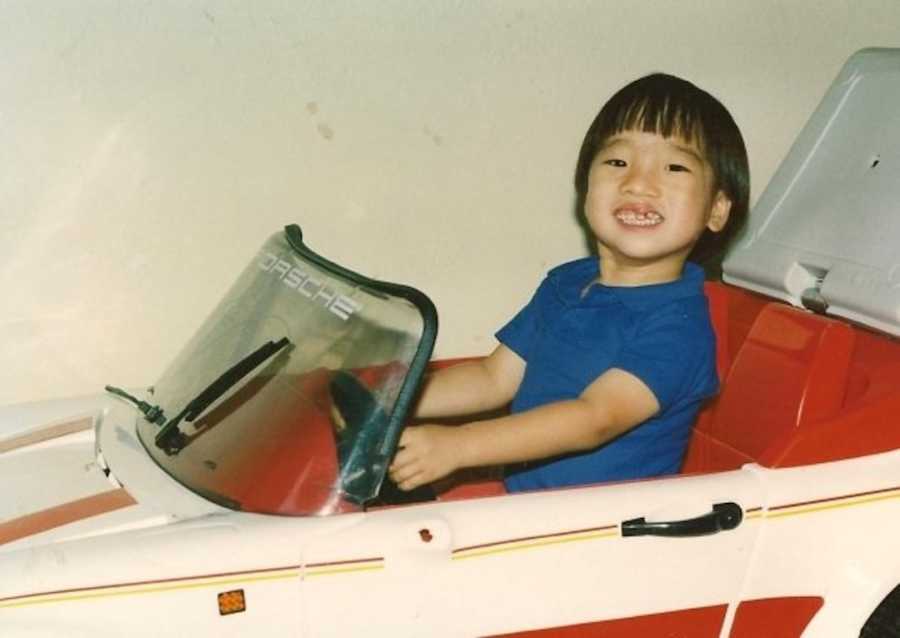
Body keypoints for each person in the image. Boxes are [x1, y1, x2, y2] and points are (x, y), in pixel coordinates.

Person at [389, 73, 750, 493]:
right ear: (585, 187)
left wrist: (459, 446)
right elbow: (492, 378)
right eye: (617, 162)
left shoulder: (680, 327)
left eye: (674, 167)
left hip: (611, 532)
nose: (637, 182)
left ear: (717, 210)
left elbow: (594, 417)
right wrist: (387, 397)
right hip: (530, 510)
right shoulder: (567, 282)